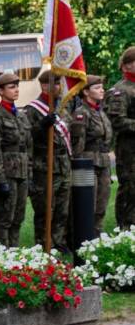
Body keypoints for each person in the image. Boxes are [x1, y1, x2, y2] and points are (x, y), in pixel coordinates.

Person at [25, 70, 73, 255]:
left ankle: (59, 241)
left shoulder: (62, 107)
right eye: (55, 83)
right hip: (45, 166)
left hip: (63, 164)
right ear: (44, 85)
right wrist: (42, 126)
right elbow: (27, 137)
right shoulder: (33, 109)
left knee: (62, 208)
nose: (59, 87)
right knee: (46, 209)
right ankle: (44, 243)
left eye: (60, 83)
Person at [0, 72, 29, 248]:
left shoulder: (21, 116)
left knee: (18, 218)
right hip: (6, 175)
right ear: (1, 91)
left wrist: (30, 173)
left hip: (22, 173)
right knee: (5, 219)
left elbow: (28, 147)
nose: (16, 90)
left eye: (17, 86)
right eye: (11, 87)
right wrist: (1, 180)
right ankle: (0, 255)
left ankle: (14, 253)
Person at [70, 76, 113, 235]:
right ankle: (85, 237)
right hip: (88, 165)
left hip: (103, 162)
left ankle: (97, 234)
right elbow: (77, 147)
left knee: (102, 203)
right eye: (97, 88)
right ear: (86, 92)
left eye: (102, 87)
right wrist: (79, 168)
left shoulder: (100, 111)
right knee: (88, 204)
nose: (102, 90)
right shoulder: (81, 114)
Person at [107, 47, 135, 229]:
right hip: (129, 149)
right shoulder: (120, 90)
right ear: (126, 65)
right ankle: (125, 227)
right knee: (130, 188)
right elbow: (116, 121)